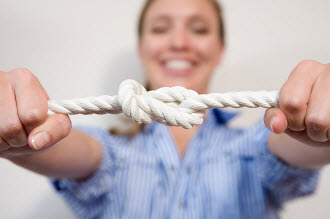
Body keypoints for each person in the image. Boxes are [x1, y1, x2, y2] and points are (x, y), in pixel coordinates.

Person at [0, 0, 329, 218]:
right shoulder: (111, 152)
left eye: (199, 29)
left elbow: (292, 143)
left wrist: (318, 131)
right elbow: (67, 147)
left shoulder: (254, 146)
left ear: (219, 49)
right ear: (142, 48)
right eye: (160, 28)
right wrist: (20, 136)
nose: (179, 42)